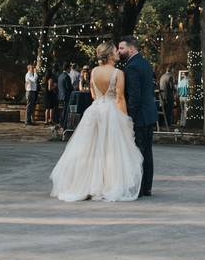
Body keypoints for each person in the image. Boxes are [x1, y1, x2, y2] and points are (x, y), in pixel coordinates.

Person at [50, 42, 143, 202]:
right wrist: (125, 120)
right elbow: (120, 98)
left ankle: (86, 185)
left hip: (95, 110)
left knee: (90, 149)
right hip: (111, 111)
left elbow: (93, 94)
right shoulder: (118, 73)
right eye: (115, 51)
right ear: (109, 55)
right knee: (110, 150)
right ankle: (106, 184)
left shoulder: (94, 72)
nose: (117, 53)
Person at [118, 36, 158, 197]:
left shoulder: (132, 67)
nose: (119, 51)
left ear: (131, 49)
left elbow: (134, 96)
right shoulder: (145, 63)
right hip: (149, 114)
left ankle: (140, 188)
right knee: (147, 152)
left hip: (140, 116)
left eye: (121, 48)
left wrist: (129, 118)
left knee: (139, 153)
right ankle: (147, 187)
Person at [57, 64, 74, 130]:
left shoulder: (60, 76)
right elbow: (69, 87)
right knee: (65, 111)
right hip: (66, 96)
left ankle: (61, 123)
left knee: (61, 111)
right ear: (67, 69)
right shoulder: (66, 76)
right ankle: (63, 124)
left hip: (60, 96)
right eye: (69, 68)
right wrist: (73, 88)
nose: (70, 70)